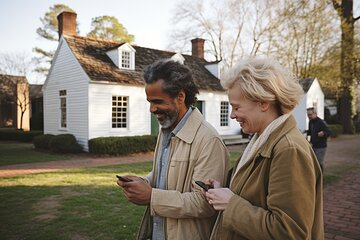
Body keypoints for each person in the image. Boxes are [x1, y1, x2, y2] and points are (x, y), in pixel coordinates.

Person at [205, 57, 324, 239]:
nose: (232, 115)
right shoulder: (262, 139)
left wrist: (231, 205)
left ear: (263, 103)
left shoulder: (289, 150)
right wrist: (224, 190)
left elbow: (290, 232)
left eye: (236, 107)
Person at [117, 59, 229, 240]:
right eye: (149, 102)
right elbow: (163, 173)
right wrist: (143, 181)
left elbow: (205, 203)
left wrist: (151, 197)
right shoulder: (165, 131)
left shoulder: (209, 140)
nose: (152, 109)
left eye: (157, 102)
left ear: (180, 97)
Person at [306, 107, 331, 171]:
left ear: (315, 114)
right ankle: (315, 178)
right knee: (313, 163)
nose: (309, 116)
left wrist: (323, 133)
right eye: (308, 115)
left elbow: (329, 132)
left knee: (319, 163)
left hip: (321, 147)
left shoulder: (321, 122)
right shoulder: (310, 122)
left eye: (310, 115)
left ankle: (320, 178)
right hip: (313, 146)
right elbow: (310, 132)